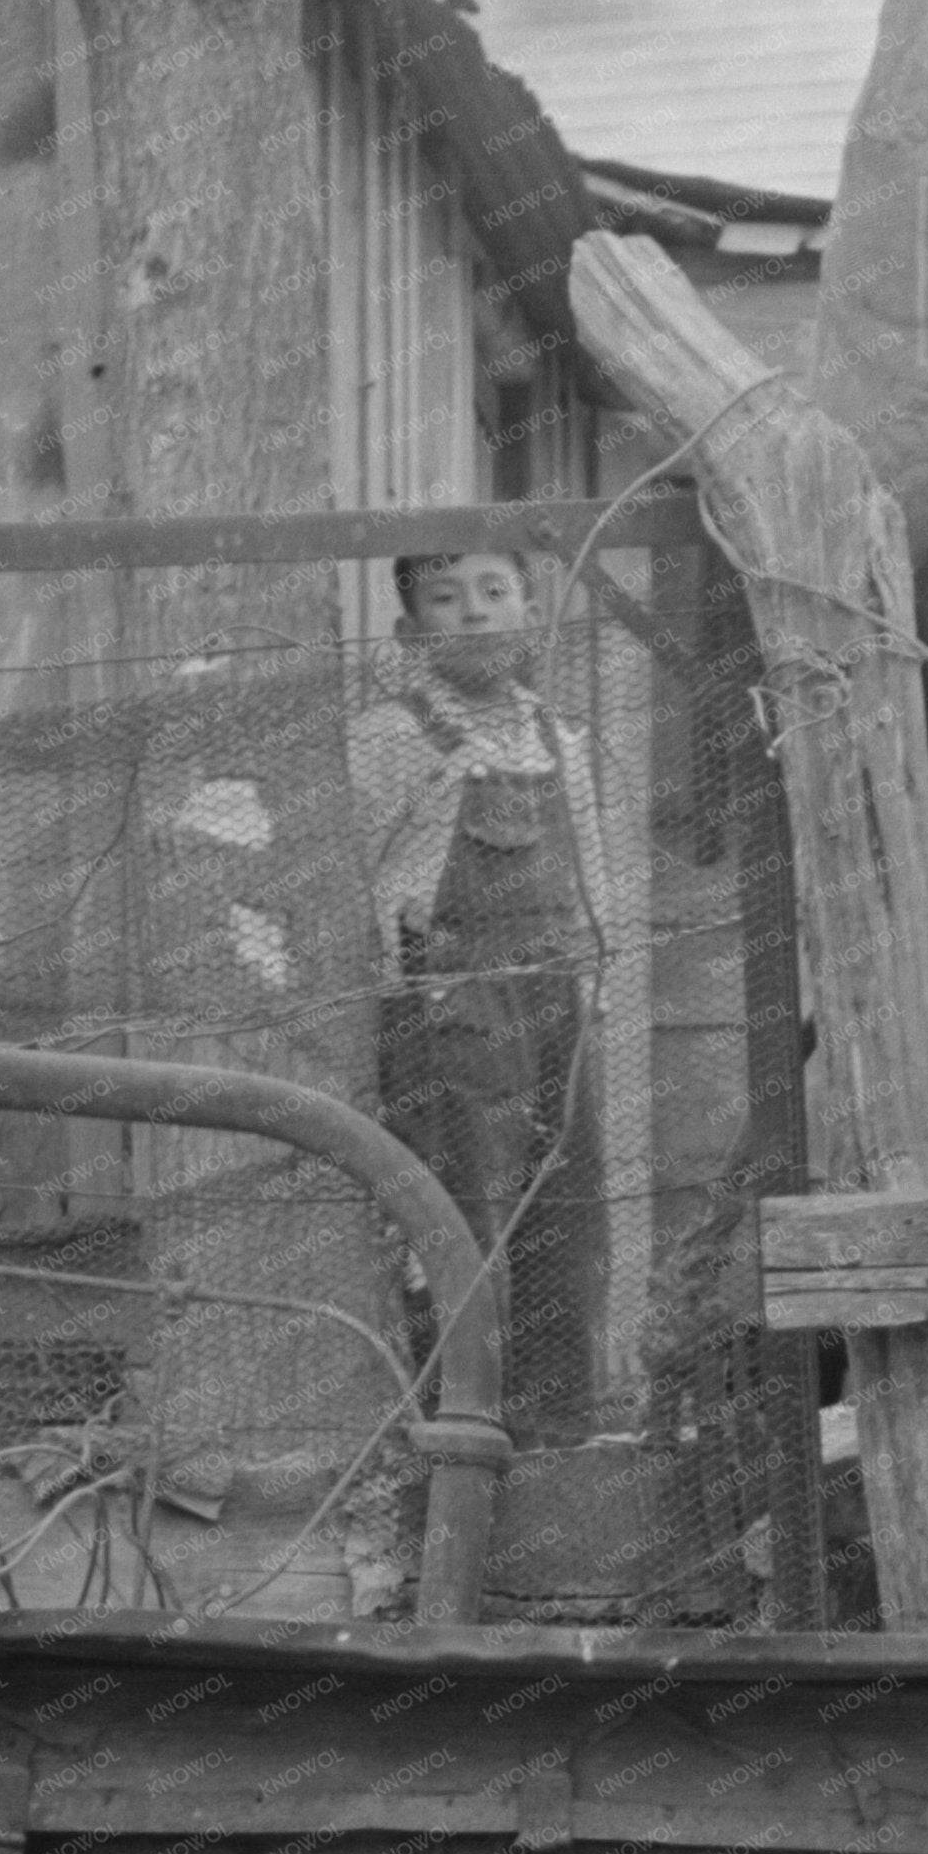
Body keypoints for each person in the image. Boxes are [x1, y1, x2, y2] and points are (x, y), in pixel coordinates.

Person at [349, 548, 612, 1445]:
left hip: (557, 1003)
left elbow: (595, 884)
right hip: (450, 1006)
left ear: (529, 614)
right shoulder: (389, 735)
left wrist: (596, 989)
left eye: (495, 593)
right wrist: (400, 994)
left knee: (563, 1202)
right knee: (466, 1207)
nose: (474, 613)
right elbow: (369, 879)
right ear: (411, 629)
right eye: (447, 599)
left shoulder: (558, 738)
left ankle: (560, 1428)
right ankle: (464, 1425)